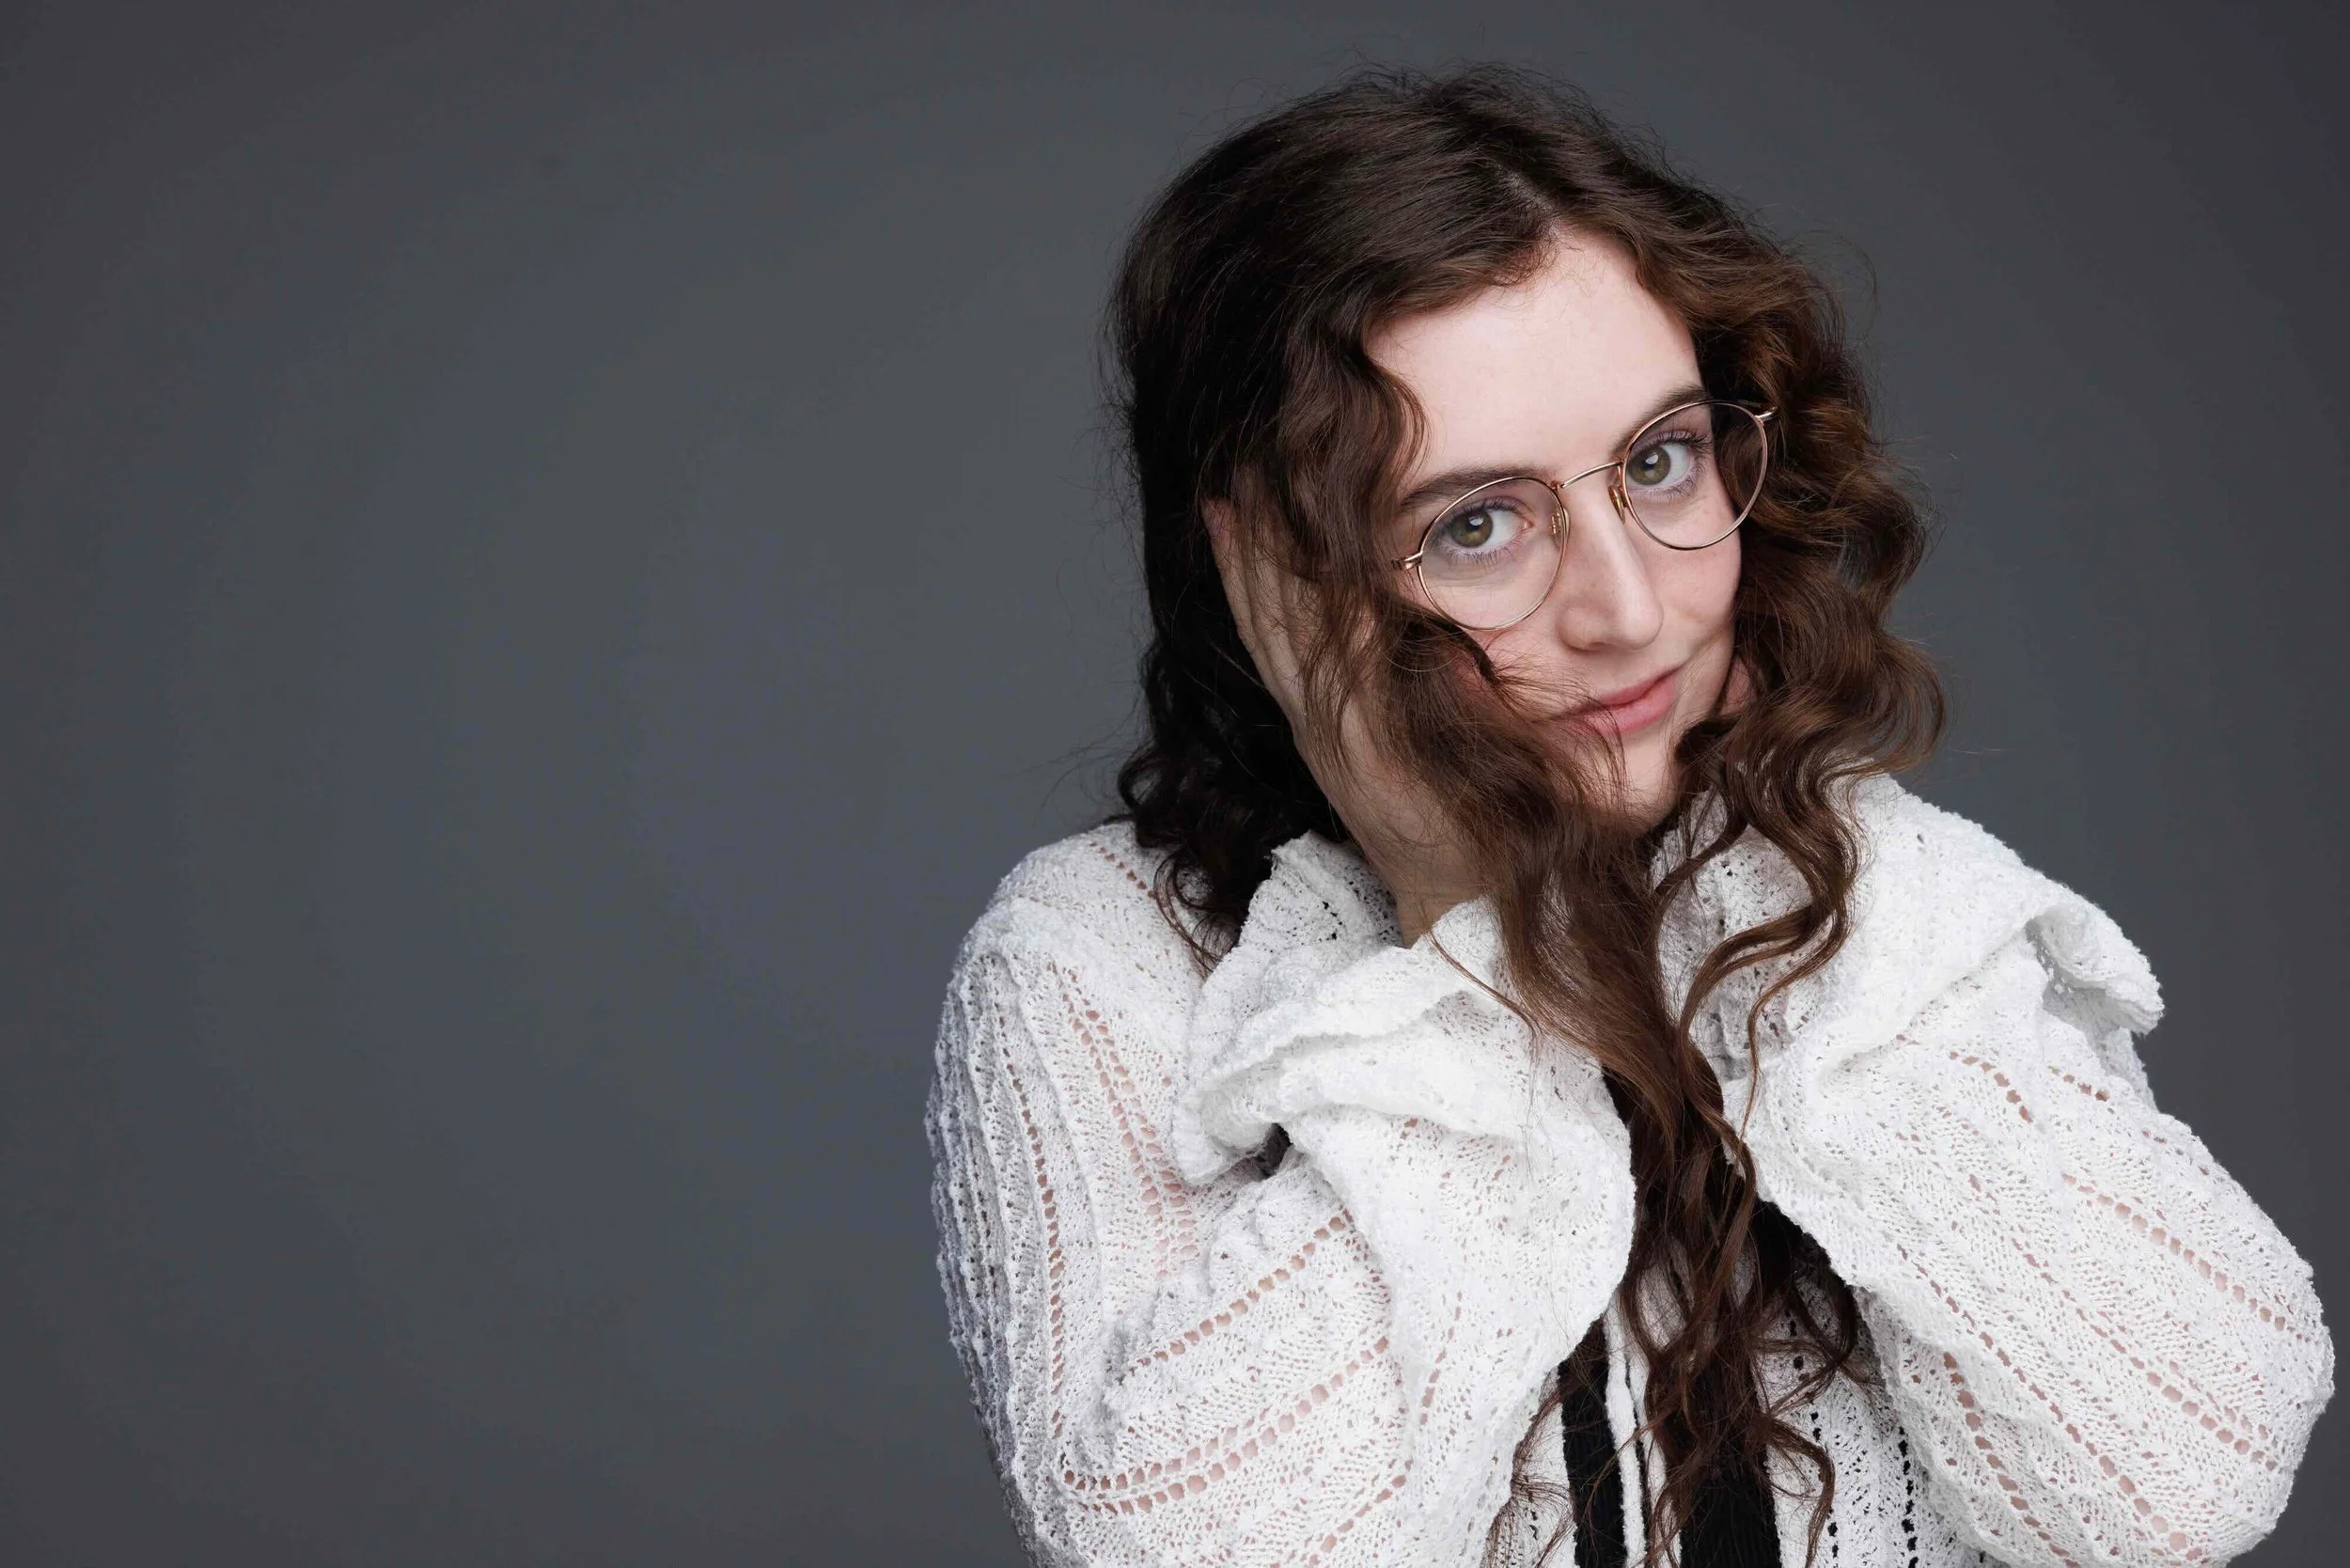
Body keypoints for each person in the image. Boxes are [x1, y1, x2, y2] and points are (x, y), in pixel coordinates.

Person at [924, 65, 2333, 1568]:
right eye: (1476, 524)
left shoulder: (1870, 889)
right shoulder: (1106, 963)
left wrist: (1781, 903)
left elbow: (2179, 1487)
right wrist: (1467, 927)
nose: (1632, 606)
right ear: (1272, 570)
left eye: (1660, 461)